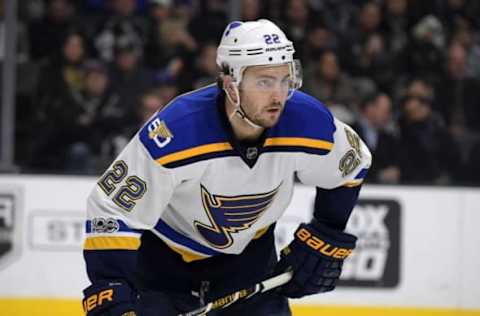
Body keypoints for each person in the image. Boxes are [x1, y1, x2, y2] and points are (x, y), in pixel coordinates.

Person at [82, 19, 371, 316]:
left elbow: (353, 164)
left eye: (285, 79)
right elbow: (113, 208)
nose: (278, 96)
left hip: (251, 266)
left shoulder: (306, 120)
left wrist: (325, 230)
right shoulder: (178, 130)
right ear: (231, 84)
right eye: (264, 81)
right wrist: (112, 285)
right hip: (161, 269)